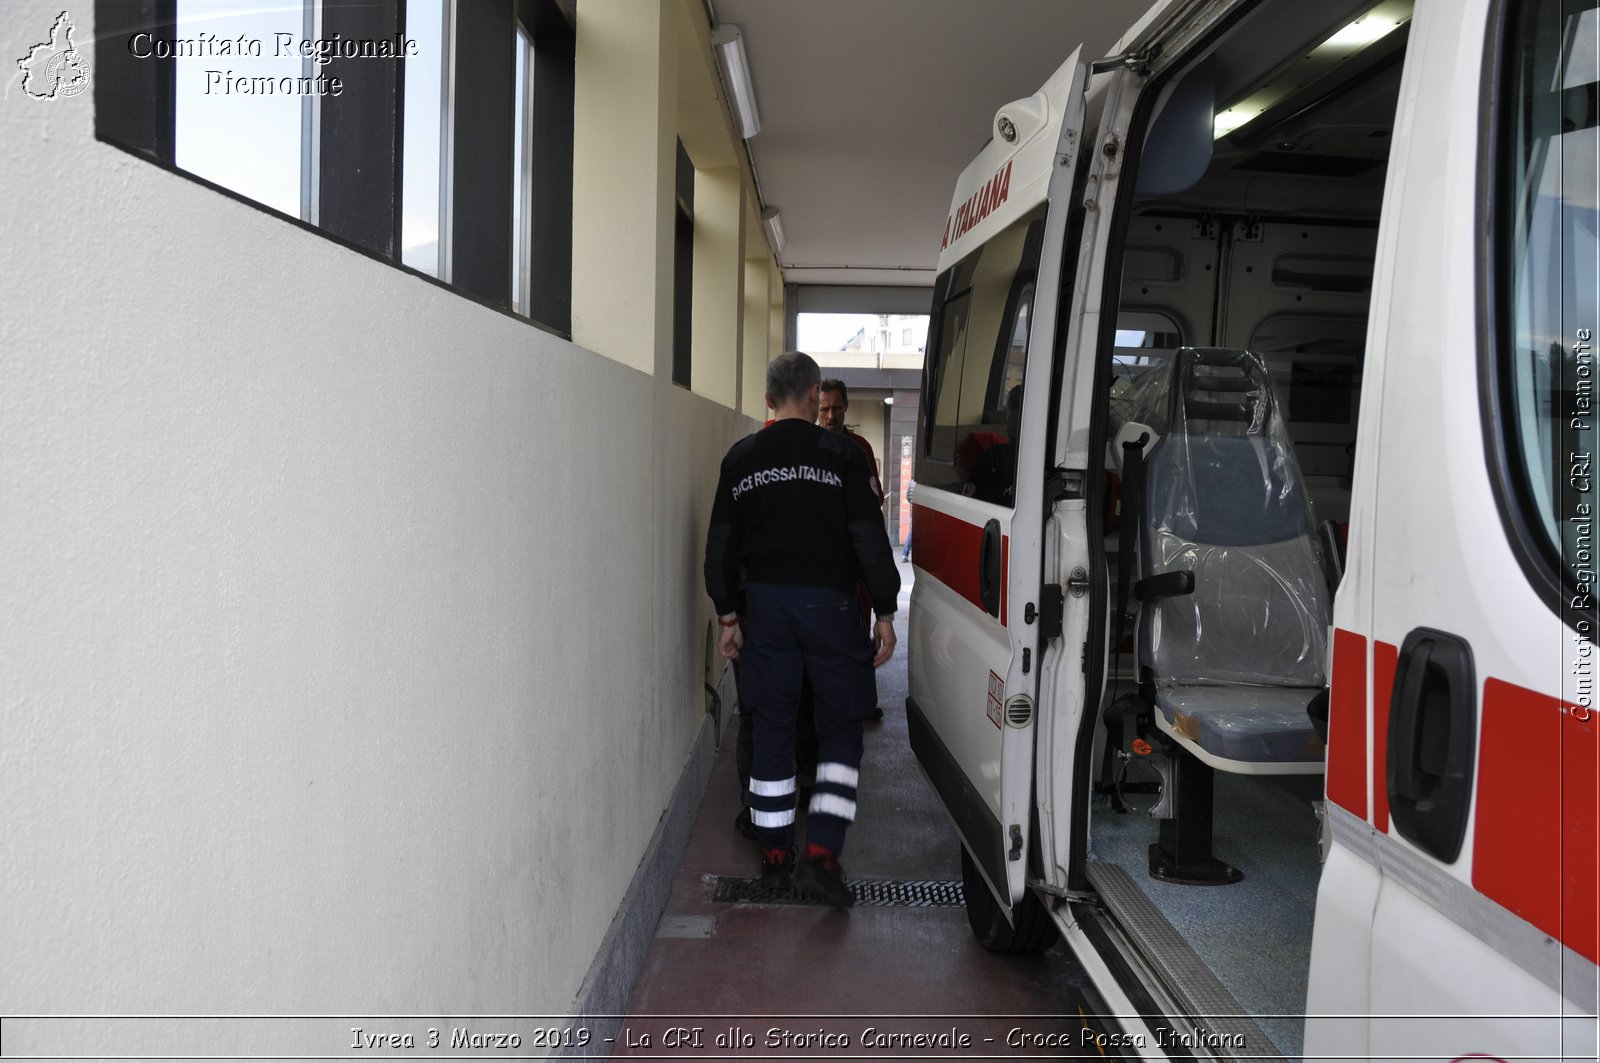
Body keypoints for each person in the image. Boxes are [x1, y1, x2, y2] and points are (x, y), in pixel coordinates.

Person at [705, 353, 901, 908]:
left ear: (768, 400)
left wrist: (727, 615)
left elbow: (719, 546)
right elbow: (868, 538)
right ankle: (821, 856)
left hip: (765, 606)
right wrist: (884, 611)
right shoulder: (840, 454)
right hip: (832, 608)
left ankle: (773, 858)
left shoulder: (741, 459)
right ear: (816, 395)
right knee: (839, 730)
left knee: (772, 726)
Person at [817, 379, 890, 721]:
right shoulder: (808, 445)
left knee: (861, 632)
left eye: (836, 407)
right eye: (824, 408)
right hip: (820, 561)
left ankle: (862, 702)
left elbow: (873, 503)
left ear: (846, 406)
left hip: (856, 560)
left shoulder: (859, 447)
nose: (830, 415)